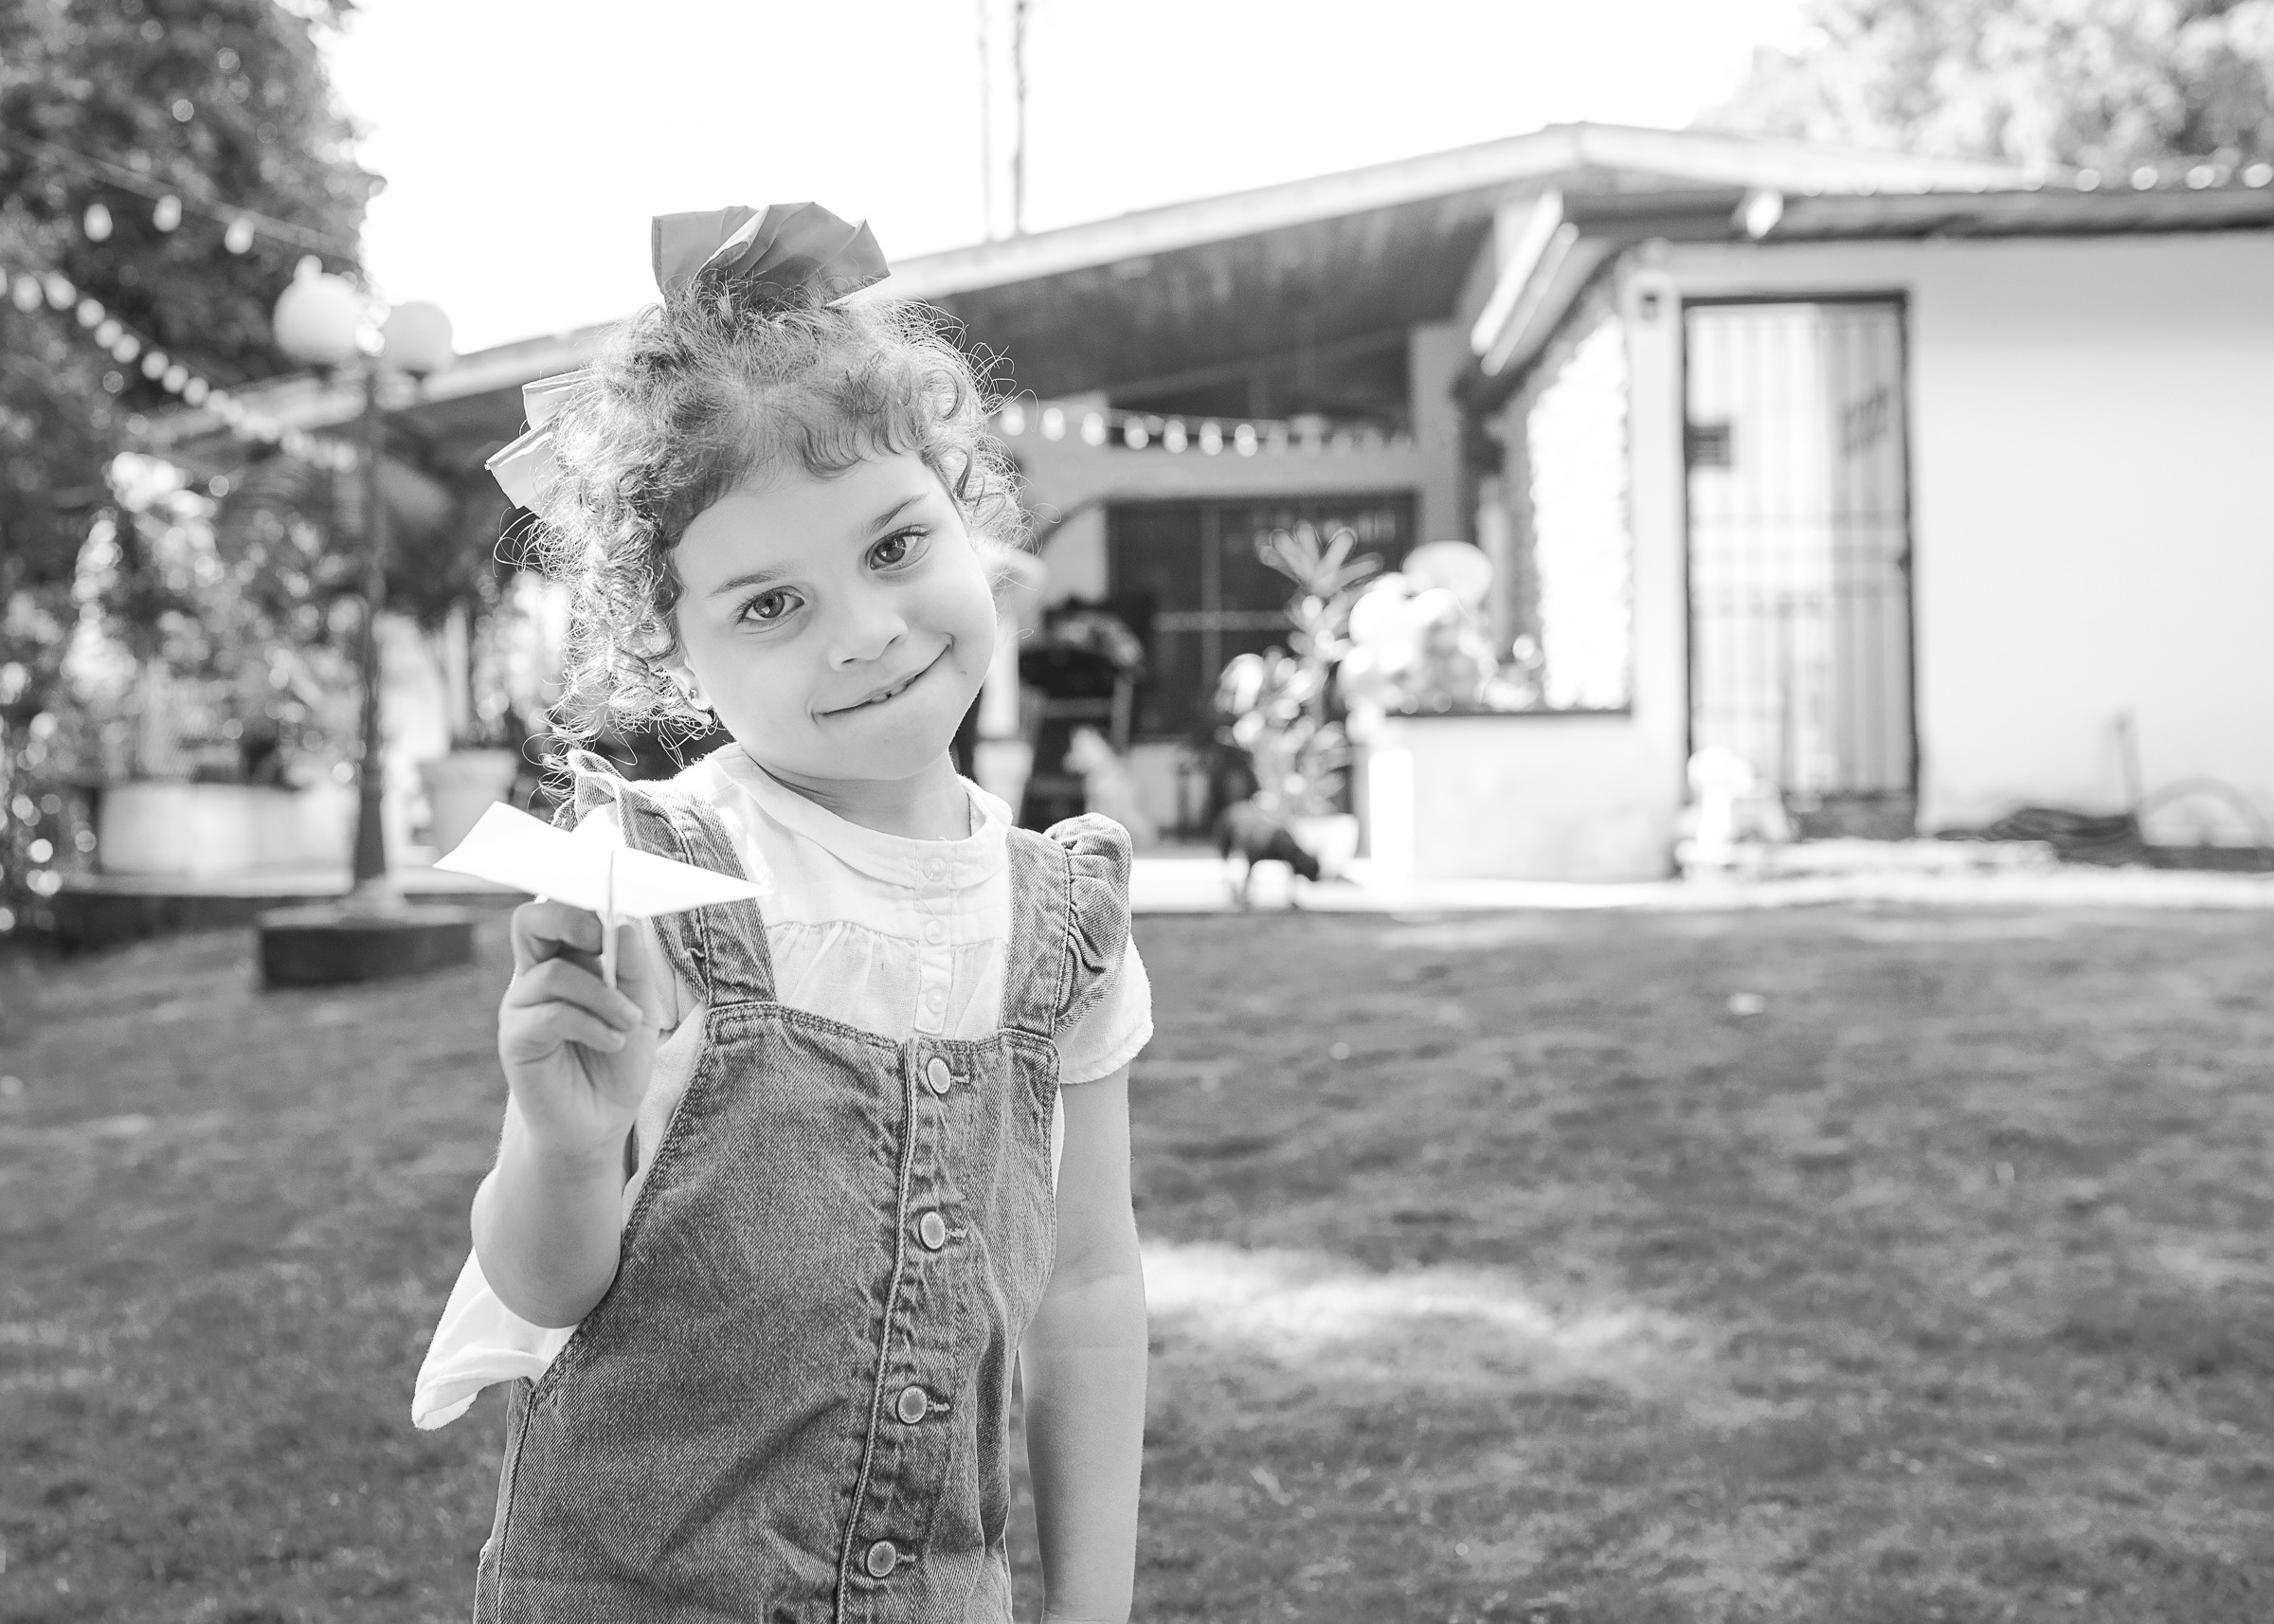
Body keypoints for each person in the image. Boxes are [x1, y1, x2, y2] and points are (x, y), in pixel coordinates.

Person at [412, 204, 1151, 1624]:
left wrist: (1091, 1606)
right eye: (769, 605)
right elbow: (546, 1284)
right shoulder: (654, 874)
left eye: (892, 548)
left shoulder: (1069, 917)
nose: (863, 630)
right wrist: (562, 1140)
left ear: (967, 510)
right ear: (671, 651)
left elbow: (1088, 1284)